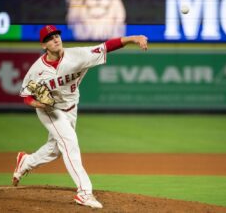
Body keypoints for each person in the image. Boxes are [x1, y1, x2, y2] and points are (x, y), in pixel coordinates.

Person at [12, 25, 148, 209]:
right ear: (44, 45)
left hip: (71, 108)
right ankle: (84, 192)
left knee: (55, 150)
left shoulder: (78, 55)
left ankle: (26, 161)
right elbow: (26, 96)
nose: (56, 39)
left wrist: (135, 38)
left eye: (57, 35)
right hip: (49, 110)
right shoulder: (36, 70)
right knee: (69, 143)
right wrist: (38, 104)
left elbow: (107, 46)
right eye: (50, 38)